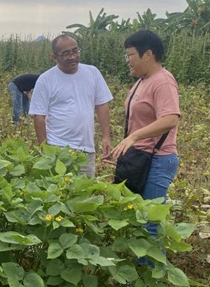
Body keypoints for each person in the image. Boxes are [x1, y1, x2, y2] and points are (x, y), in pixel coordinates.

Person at [110, 30, 180, 238]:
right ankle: (140, 267)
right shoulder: (142, 80)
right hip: (140, 158)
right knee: (136, 218)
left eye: (130, 55)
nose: (127, 60)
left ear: (147, 54)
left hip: (157, 160)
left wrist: (134, 137)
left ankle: (153, 268)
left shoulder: (163, 82)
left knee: (151, 222)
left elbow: (170, 119)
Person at [29, 34, 112, 177]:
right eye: (66, 53)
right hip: (58, 149)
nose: (72, 57)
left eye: (75, 51)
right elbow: (39, 116)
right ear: (54, 57)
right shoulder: (46, 80)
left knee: (85, 193)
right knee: (59, 192)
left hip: (86, 149)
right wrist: (44, 147)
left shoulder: (92, 73)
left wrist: (106, 136)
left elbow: (102, 105)